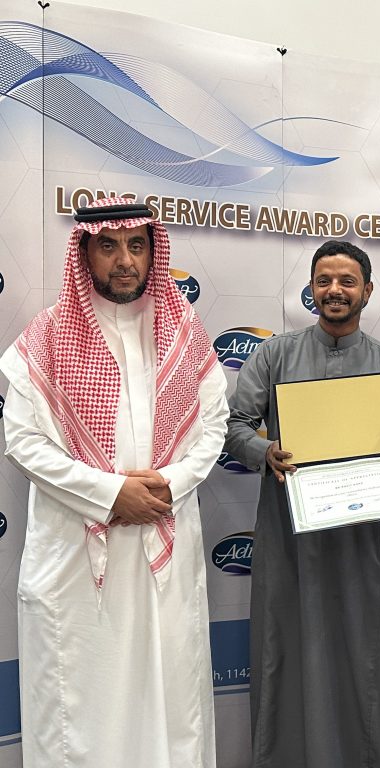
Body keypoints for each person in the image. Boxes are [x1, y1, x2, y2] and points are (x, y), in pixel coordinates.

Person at [0, 198, 228, 767]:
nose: (125, 260)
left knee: (170, 698)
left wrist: (170, 484)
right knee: (82, 705)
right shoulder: (47, 338)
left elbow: (213, 424)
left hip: (163, 541)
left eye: (137, 246)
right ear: (85, 253)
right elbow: (24, 443)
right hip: (77, 559)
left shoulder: (183, 331)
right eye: (109, 246)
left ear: (153, 252)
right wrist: (109, 495)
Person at [224, 239, 380, 768]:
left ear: (367, 291)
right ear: (311, 289)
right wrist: (265, 451)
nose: (335, 290)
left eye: (347, 281)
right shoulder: (274, 355)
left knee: (363, 646)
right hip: (290, 533)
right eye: (324, 281)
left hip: (361, 538)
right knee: (285, 643)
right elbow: (235, 428)